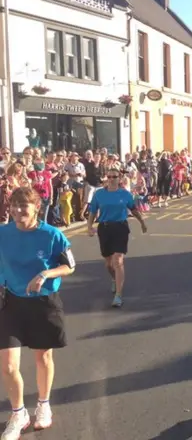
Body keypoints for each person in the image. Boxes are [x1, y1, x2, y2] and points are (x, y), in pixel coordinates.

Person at [0, 187, 76, 438]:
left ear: (36, 208)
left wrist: (45, 273)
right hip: (11, 303)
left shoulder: (51, 235)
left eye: (24, 205)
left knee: (42, 358)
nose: (18, 210)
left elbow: (69, 266)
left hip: (43, 303)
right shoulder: (3, 233)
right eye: (14, 205)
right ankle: (18, 413)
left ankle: (43, 404)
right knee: (9, 366)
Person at [87, 168, 148, 308]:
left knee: (118, 260)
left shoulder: (125, 194)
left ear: (119, 178)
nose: (111, 179)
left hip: (120, 227)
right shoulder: (99, 194)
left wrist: (142, 223)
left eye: (114, 177)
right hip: (105, 228)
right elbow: (93, 212)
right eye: (108, 176)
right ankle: (114, 279)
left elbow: (133, 210)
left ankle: (118, 295)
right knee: (109, 263)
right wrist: (89, 227)